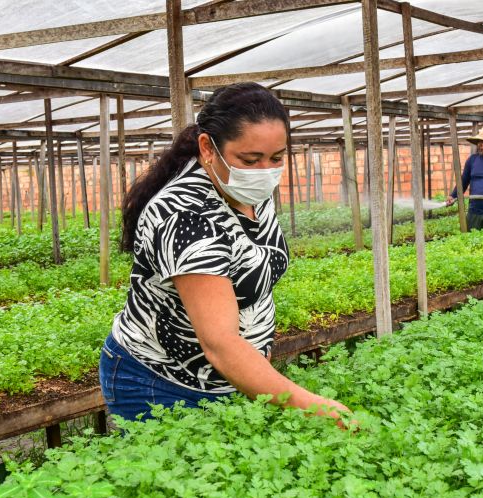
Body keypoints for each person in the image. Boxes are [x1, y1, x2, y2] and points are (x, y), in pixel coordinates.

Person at [100, 82, 349, 424]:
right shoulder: (187, 218)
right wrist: (316, 407)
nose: (265, 171)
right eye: (250, 159)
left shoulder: (246, 190)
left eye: (276, 158)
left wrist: (259, 350)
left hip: (228, 377)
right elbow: (220, 343)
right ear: (207, 147)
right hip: (163, 385)